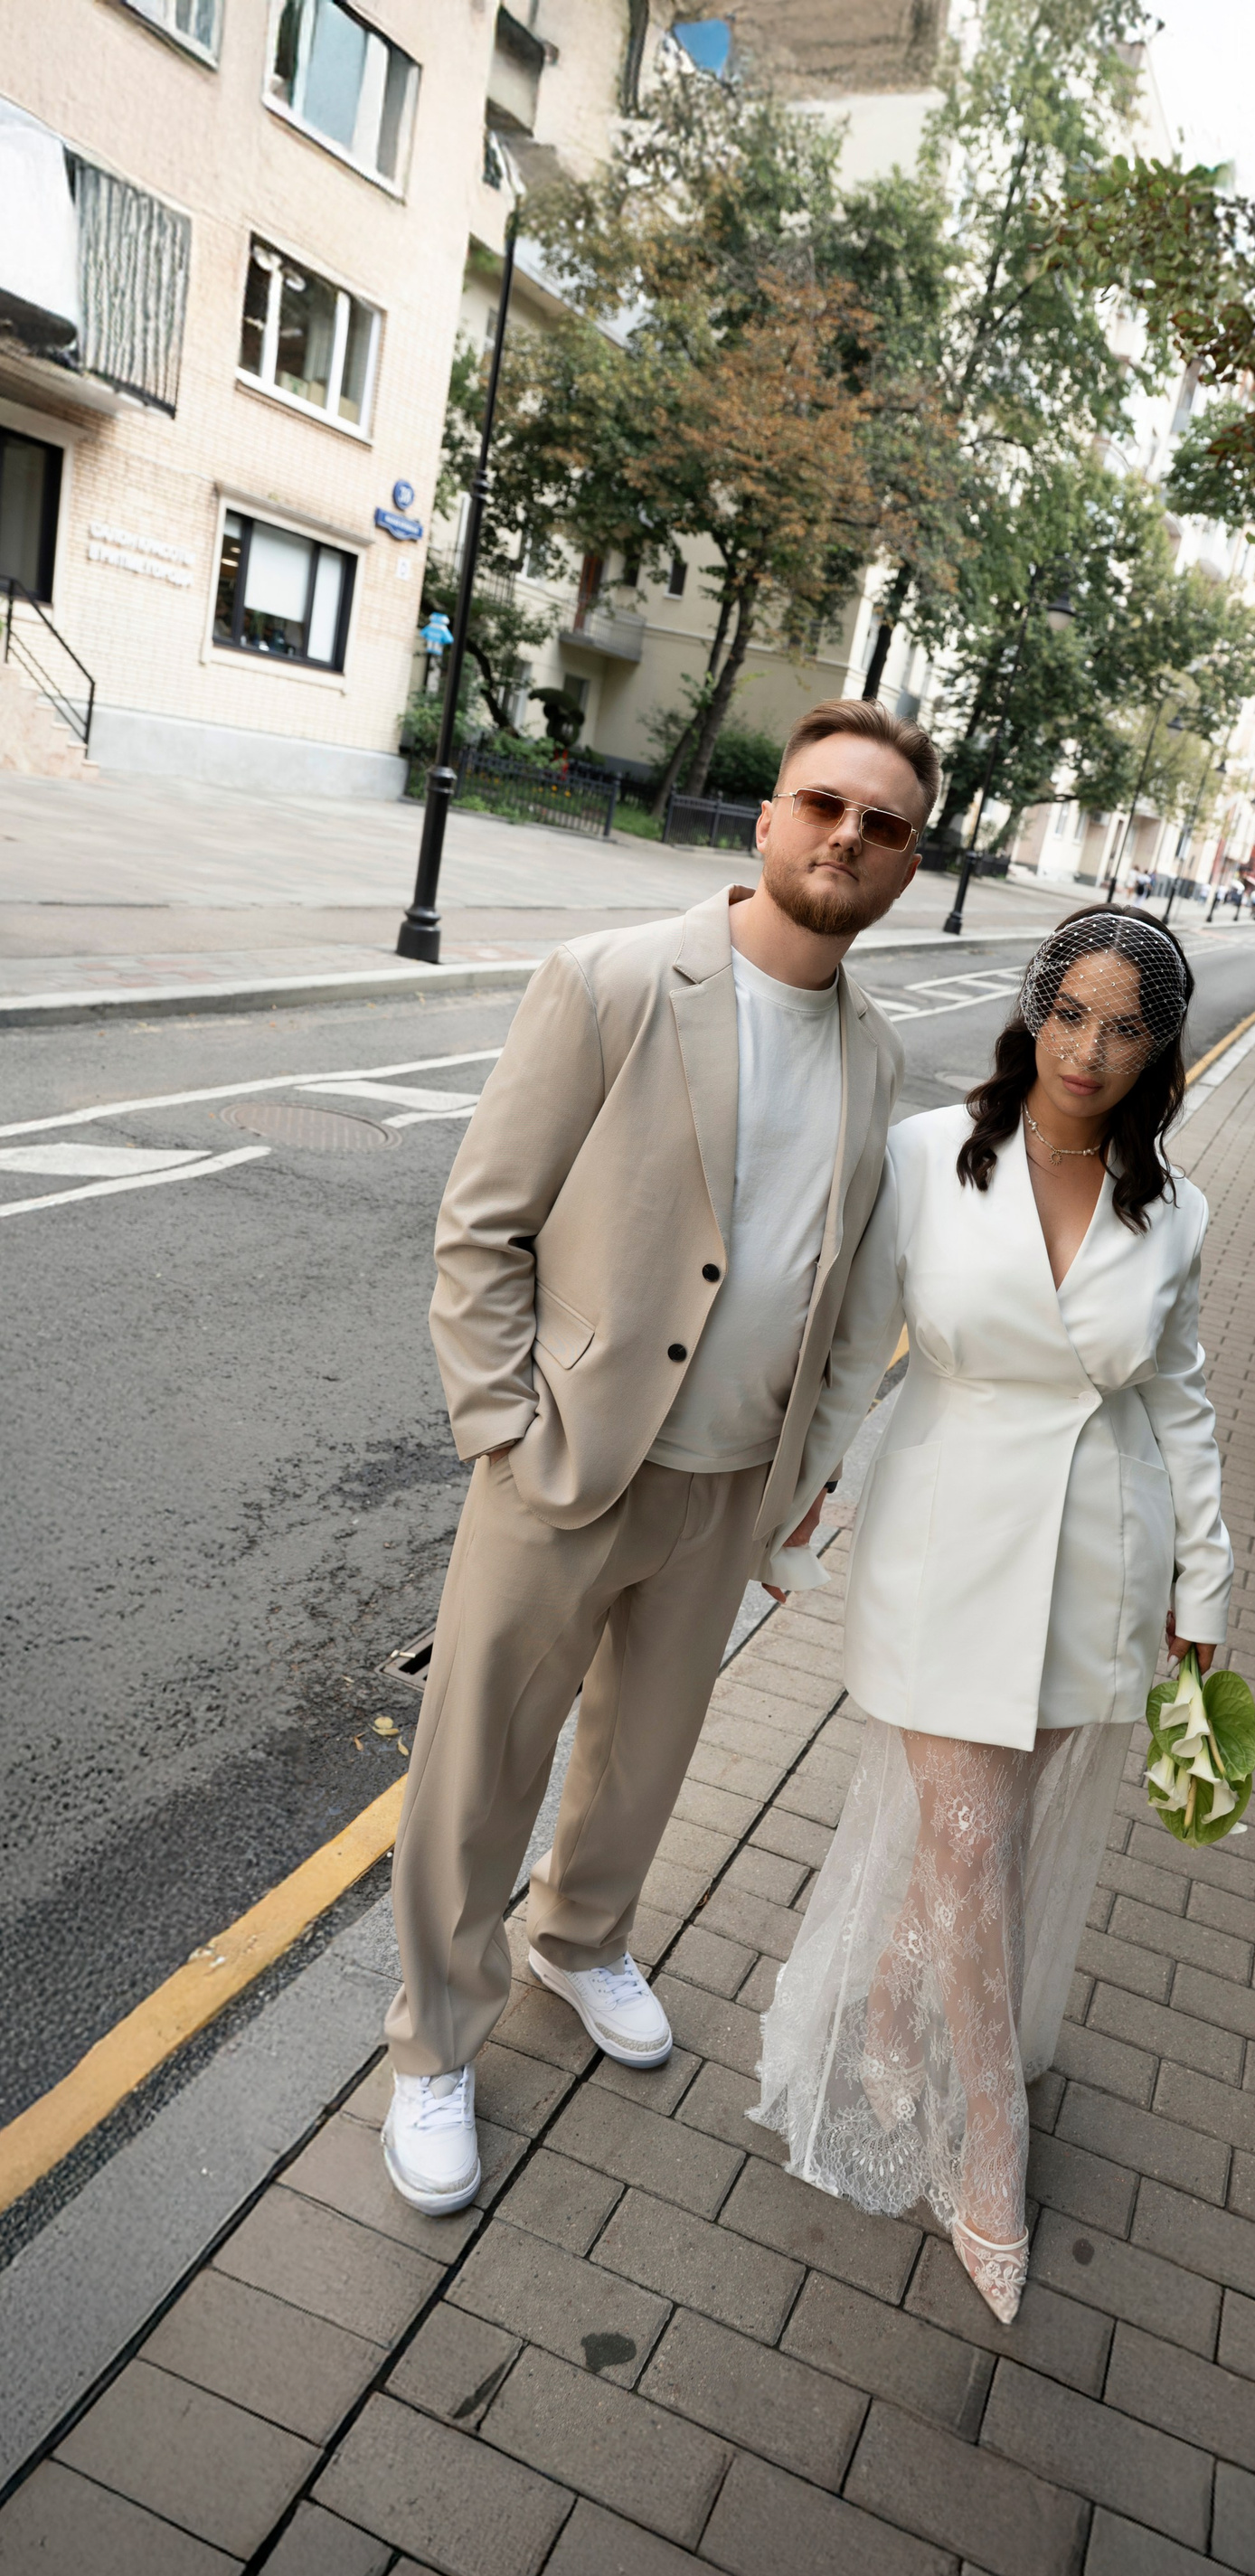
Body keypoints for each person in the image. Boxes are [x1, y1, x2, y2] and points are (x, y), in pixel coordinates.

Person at [381, 698, 937, 2215]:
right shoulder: (615, 981)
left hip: (728, 1479)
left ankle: (580, 1939)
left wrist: (800, 1483)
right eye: (824, 804)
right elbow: (482, 1225)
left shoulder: (879, 1055)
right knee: (480, 1766)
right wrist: (503, 1427)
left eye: (883, 825)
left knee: (646, 1759)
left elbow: (843, 1293)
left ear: (908, 864)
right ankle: (435, 2040)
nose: (847, 837)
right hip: (564, 1461)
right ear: (768, 818)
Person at [752, 908, 1232, 2323]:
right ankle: (991, 2145)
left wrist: (1205, 1580)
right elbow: (857, 1347)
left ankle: (892, 2008)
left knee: (981, 1847)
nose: (1089, 1051)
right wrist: (801, 1491)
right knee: (970, 1843)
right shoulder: (925, 1155)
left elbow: (1182, 1404)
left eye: (1125, 1028)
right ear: (1034, 1012)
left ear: (1161, 1051)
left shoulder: (1176, 1210)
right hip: (945, 1537)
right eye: (1070, 1014)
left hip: (1099, 1555)